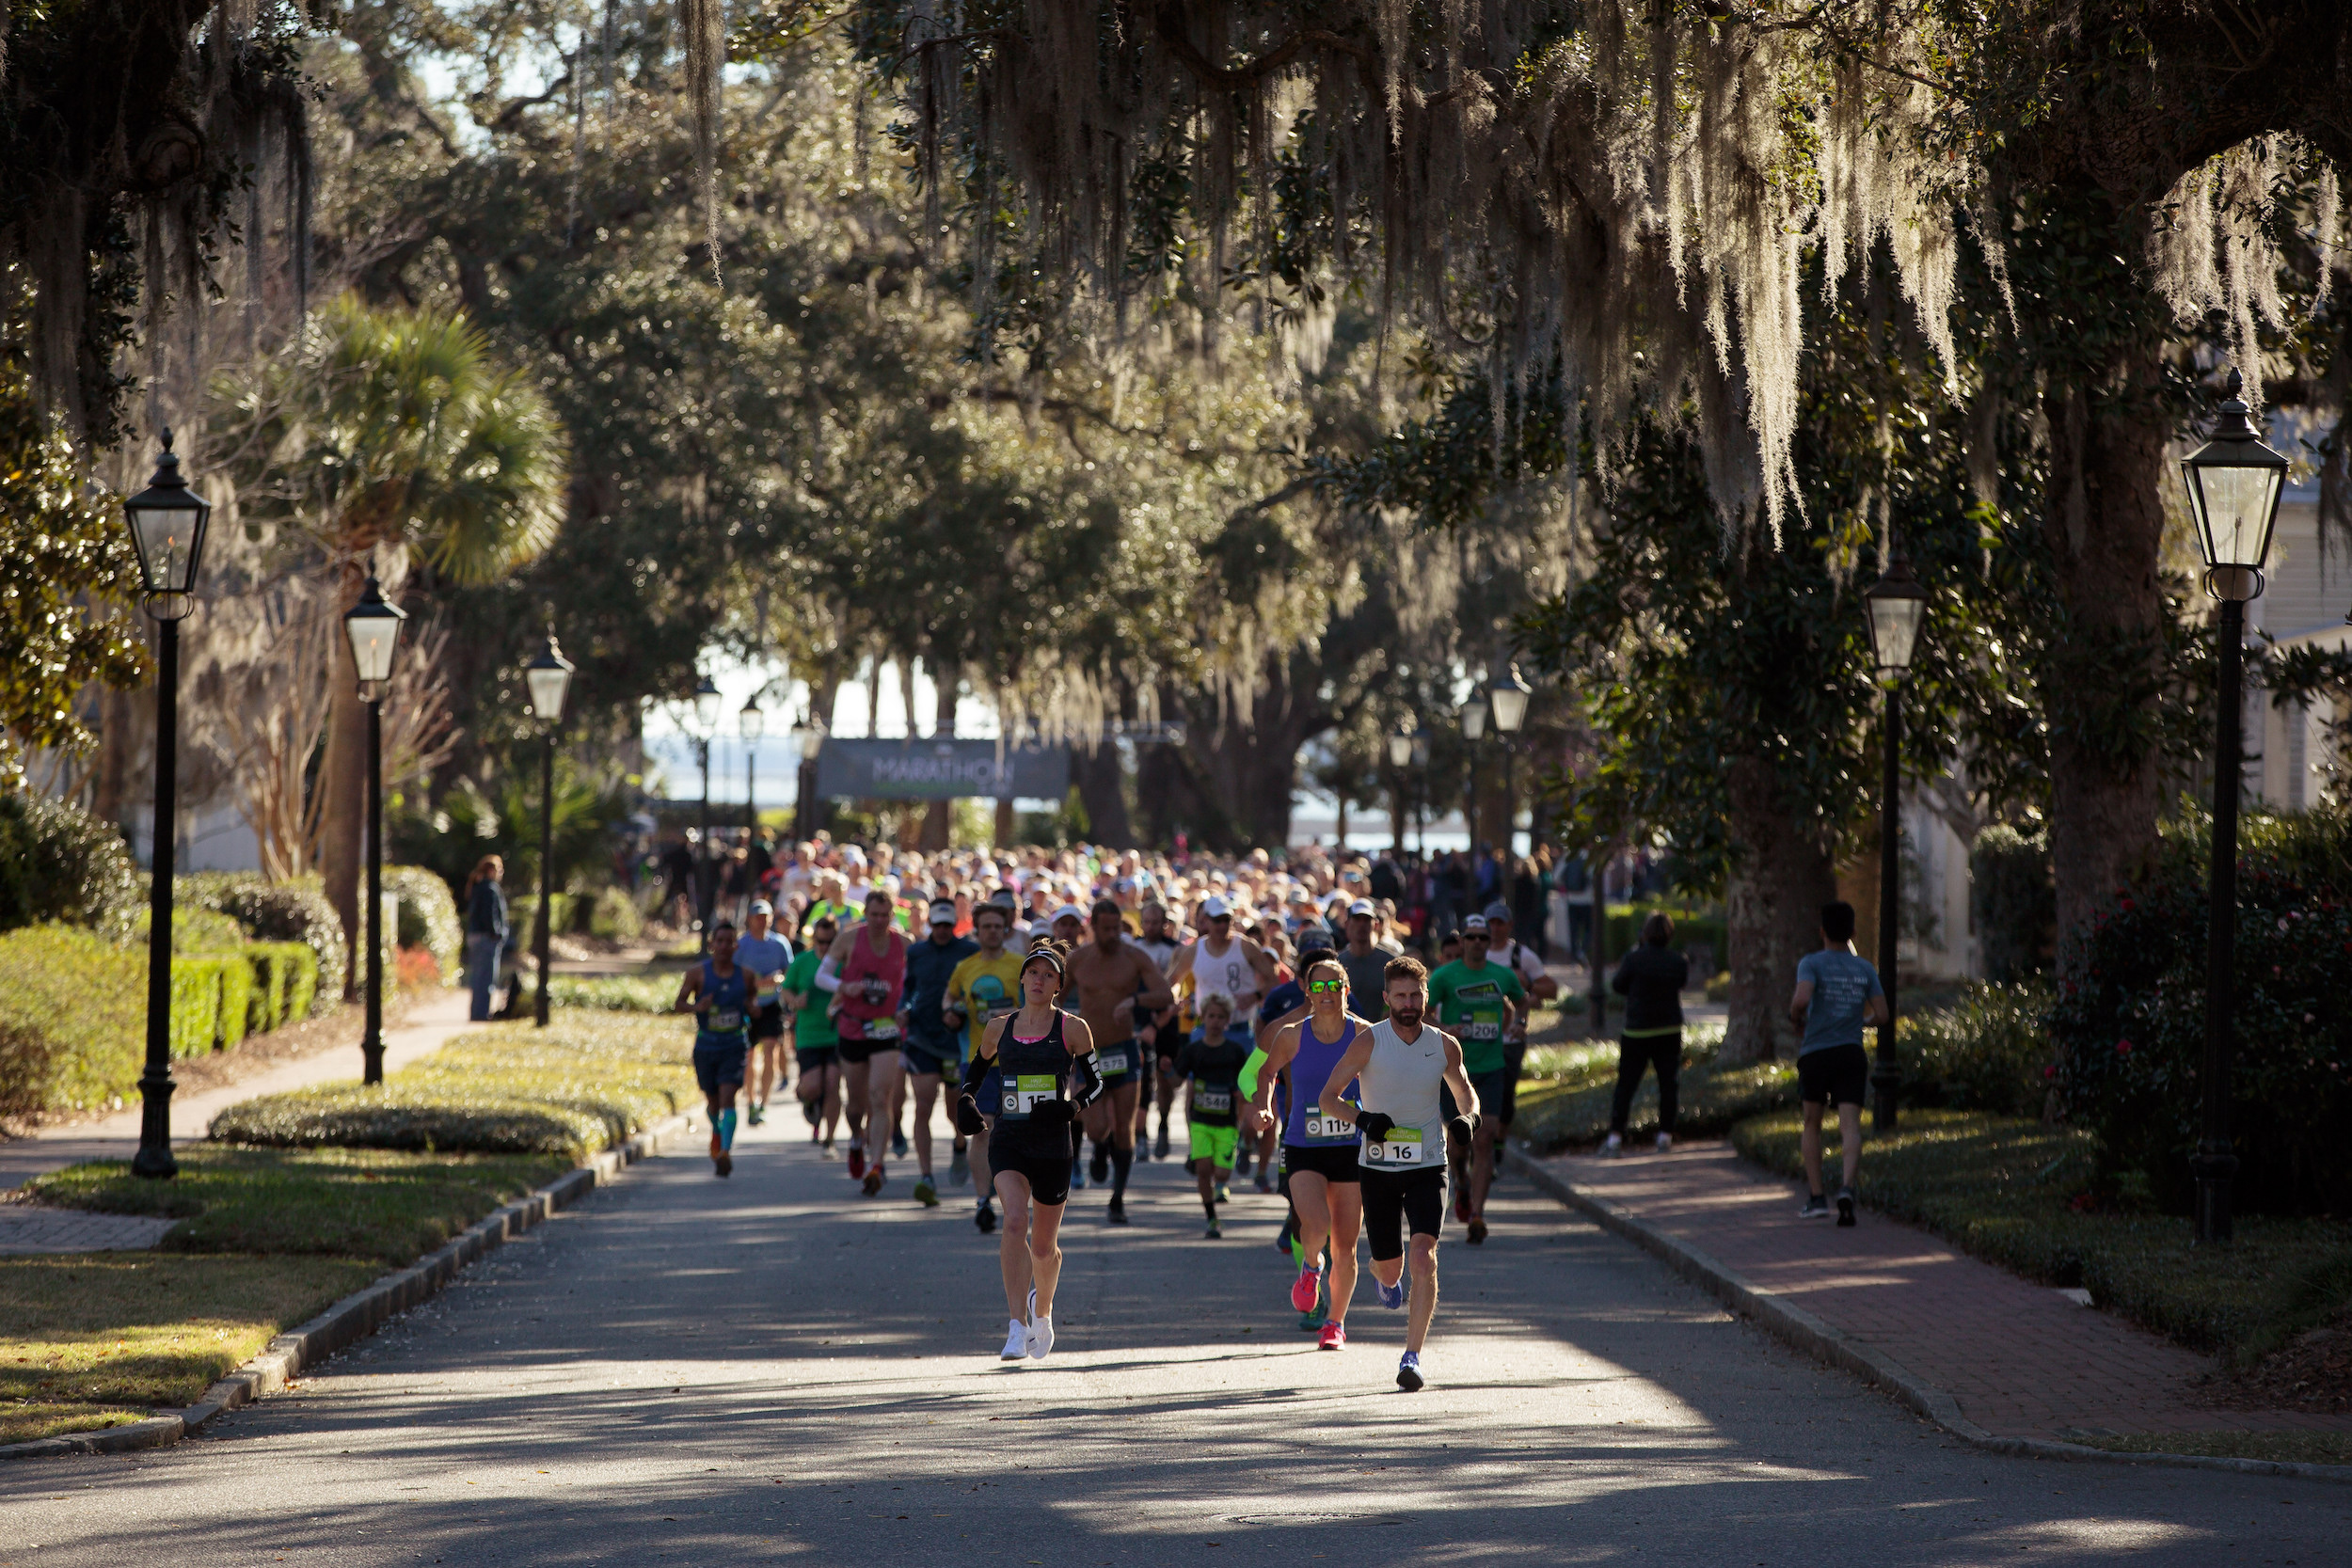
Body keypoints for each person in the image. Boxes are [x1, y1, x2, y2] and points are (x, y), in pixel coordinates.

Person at [1315, 955, 1477, 1392]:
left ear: (1426, 996)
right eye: (1400, 996)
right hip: (1378, 1168)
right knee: (1392, 1270)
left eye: (1415, 995)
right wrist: (1363, 1119)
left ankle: (1412, 1357)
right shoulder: (1369, 1042)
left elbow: (1465, 1091)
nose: (1408, 1003)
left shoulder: (1444, 1044)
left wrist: (1469, 1118)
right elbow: (1328, 1098)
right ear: (1386, 998)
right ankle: (1381, 1273)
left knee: (1424, 1257)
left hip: (1428, 1164)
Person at [956, 942, 1104, 1360]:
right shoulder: (998, 1028)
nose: (1039, 980)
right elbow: (975, 1072)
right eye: (1033, 973)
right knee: (1015, 1221)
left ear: (1058, 985)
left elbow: (1096, 1083)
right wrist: (966, 1100)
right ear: (1022, 979)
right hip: (1010, 1139)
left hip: (1053, 1144)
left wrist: (1072, 1107)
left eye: (1048, 975)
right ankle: (1016, 1327)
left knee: (1043, 1248)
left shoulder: (1073, 1028)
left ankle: (1043, 1311)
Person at [1249, 953, 1363, 1351]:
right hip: (1304, 1144)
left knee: (1346, 1246)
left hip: (1351, 1147)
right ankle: (1311, 1266)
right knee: (1314, 1225)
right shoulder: (1292, 1035)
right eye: (1318, 986)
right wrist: (1265, 1106)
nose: (1326, 992)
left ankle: (1335, 1324)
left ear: (1346, 990)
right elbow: (1267, 1071)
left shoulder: (1365, 1035)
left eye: (1334, 985)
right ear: (1308, 992)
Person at [1065, 898, 1174, 1225]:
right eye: (1107, 929)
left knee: (1125, 1129)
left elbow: (1165, 994)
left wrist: (1135, 1000)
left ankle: (1117, 1199)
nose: (1113, 934)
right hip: (1090, 1052)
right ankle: (1099, 1146)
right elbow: (1053, 998)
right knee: (1096, 1126)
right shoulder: (1078, 960)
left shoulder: (1134, 957)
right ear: (1093, 927)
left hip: (1124, 1050)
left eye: (1117, 928)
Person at [1423, 913, 1524, 1244]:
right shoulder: (1445, 976)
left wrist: (1515, 1024)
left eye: (1483, 937)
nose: (1478, 942)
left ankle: (1478, 1215)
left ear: (1489, 942)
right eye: (1472, 937)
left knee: (1485, 1138)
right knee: (1458, 1140)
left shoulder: (1502, 975)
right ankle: (1461, 1180)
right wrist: (1443, 1029)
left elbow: (1519, 1002)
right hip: (1454, 1069)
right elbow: (1423, 1013)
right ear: (1463, 940)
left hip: (1492, 1067)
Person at [1788, 900, 1886, 1226]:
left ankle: (1817, 1198)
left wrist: (1795, 1017)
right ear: (1853, 932)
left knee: (1811, 1123)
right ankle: (1847, 1188)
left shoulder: (1811, 963)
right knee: (1850, 1127)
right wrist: (1862, 1022)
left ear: (1822, 932)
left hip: (1816, 1052)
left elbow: (1802, 999)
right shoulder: (1865, 969)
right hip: (1850, 1052)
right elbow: (1883, 1014)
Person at [818, 888, 912, 1196]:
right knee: (856, 1104)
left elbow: (916, 983)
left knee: (880, 1096)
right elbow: (821, 976)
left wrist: (907, 1009)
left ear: (892, 915)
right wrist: (843, 986)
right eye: (874, 915)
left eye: (885, 915)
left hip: (886, 1027)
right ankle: (857, 1138)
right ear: (865, 914)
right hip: (853, 1026)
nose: (879, 920)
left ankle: (877, 1165)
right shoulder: (848, 939)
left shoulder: (904, 944)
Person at [946, 899, 1025, 1234]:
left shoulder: (1020, 965)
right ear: (977, 931)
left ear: (1005, 930)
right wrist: (951, 1012)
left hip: (1017, 1061)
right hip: (978, 1060)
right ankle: (983, 1200)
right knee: (982, 1128)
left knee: (1016, 1131)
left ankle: (1014, 1196)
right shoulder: (965, 967)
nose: (992, 931)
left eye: (997, 926)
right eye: (986, 926)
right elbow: (949, 999)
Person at [900, 899, 978, 1208]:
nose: (943, 930)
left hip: (955, 1041)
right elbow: (908, 988)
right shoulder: (916, 951)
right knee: (923, 1104)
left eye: (948, 925)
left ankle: (960, 1144)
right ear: (930, 923)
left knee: (954, 1110)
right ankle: (926, 1175)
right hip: (921, 1037)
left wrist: (959, 1012)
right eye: (938, 925)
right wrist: (903, 1009)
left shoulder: (969, 951)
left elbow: (974, 992)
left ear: (954, 924)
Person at [671, 919, 762, 1178]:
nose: (724, 946)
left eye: (729, 942)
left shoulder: (746, 976)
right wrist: (696, 1007)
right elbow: (678, 1003)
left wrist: (753, 1009)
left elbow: (753, 1003)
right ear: (712, 944)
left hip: (734, 1044)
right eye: (719, 941)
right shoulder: (697, 973)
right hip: (706, 1045)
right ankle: (717, 1131)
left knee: (727, 1096)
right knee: (712, 1101)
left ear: (736, 946)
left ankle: (725, 1151)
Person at [1603, 911, 1691, 1155]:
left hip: (1638, 1031)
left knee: (1626, 1085)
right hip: (1669, 1029)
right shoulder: (1678, 960)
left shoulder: (1634, 959)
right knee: (1668, 1084)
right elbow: (1681, 983)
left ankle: (1615, 1137)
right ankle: (1665, 1136)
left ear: (1645, 933)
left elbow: (1618, 985)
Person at [1481, 900, 1559, 1169]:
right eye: (1491, 923)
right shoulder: (1477, 955)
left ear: (1510, 925)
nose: (1495, 928)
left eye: (1500, 923)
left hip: (1511, 1039)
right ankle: (1480, 1146)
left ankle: (1499, 1142)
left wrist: (1526, 984)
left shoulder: (1521, 956)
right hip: (1479, 1039)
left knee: (1505, 1097)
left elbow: (1551, 989)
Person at [1171, 995, 1253, 1237]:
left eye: (1220, 1017)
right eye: (1211, 1016)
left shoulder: (1235, 1052)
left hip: (1227, 1123)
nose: (1215, 1021)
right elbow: (1176, 1081)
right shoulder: (1193, 1050)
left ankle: (1221, 1184)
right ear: (1203, 1018)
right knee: (1203, 1169)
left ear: (1227, 1021)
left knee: (1222, 1173)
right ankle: (1211, 1218)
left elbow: (1245, 1083)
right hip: (1200, 1122)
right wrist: (1166, 1071)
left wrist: (1245, 1099)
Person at [780, 914, 842, 1148]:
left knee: (832, 1084)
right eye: (820, 941)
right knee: (812, 1087)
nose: (824, 947)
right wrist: (795, 1001)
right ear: (813, 939)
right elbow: (786, 990)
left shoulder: (842, 963)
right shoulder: (802, 961)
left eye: (829, 942)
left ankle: (830, 1138)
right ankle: (809, 1102)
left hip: (835, 1034)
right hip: (808, 1035)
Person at [735, 900, 795, 1127]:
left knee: (770, 1051)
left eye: (765, 917)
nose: (762, 921)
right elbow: (732, 973)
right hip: (747, 1005)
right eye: (758, 917)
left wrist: (779, 979)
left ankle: (764, 1103)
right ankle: (751, 1101)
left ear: (771, 919)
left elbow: (790, 972)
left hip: (771, 1005)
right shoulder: (742, 945)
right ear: (750, 919)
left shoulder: (779, 944)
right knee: (750, 1056)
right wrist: (753, 983)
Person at [462, 855, 508, 1022]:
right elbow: (490, 915)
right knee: (486, 977)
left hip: (475, 936)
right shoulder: (490, 889)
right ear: (491, 870)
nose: (501, 873)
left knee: (477, 976)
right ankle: (481, 1014)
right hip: (486, 939)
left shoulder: (477, 887)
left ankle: (477, 1012)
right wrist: (496, 933)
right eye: (499, 869)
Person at [1338, 898, 1391, 1022]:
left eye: (1367, 920)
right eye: (1357, 919)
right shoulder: (1337, 964)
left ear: (1376, 925)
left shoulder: (1390, 964)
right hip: (1346, 1031)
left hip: (1382, 1030)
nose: (1361, 924)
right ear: (1347, 924)